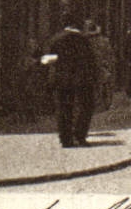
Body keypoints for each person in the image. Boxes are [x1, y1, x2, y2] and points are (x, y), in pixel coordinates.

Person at [39, 14, 99, 147]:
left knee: (63, 109)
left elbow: (46, 60)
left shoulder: (55, 39)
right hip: (82, 80)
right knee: (85, 107)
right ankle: (80, 135)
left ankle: (65, 139)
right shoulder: (84, 40)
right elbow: (91, 62)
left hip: (61, 80)